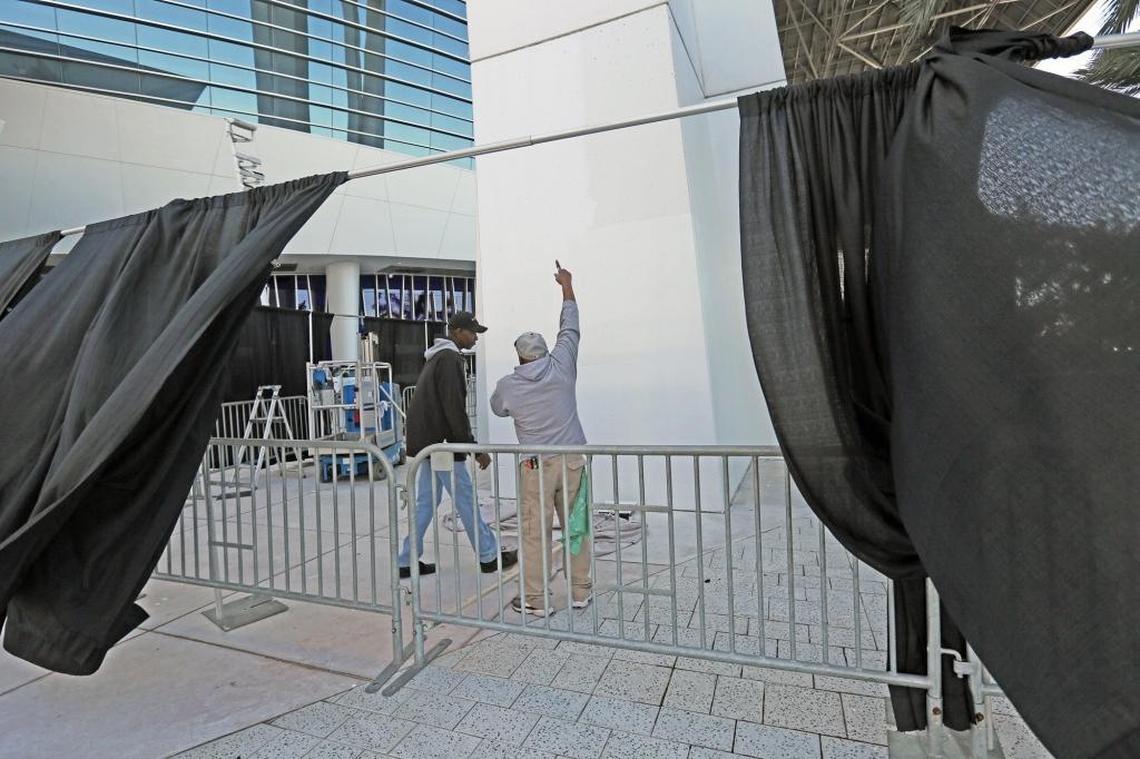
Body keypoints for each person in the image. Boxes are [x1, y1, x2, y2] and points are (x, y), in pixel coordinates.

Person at [491, 263, 591, 616]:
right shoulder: (562, 364)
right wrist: (566, 286)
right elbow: (571, 328)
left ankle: (536, 599)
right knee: (576, 525)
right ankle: (580, 591)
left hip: (535, 465)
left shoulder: (508, 385)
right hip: (574, 459)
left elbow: (498, 410)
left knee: (535, 532)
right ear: (546, 351)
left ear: (519, 356)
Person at [399, 311, 517, 578]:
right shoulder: (450, 359)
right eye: (472, 332)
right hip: (441, 445)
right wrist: (472, 449)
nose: (476, 338)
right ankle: (488, 556)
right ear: (456, 331)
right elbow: (454, 408)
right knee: (465, 499)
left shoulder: (437, 358)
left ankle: (406, 560)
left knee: (426, 503)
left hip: (427, 443)